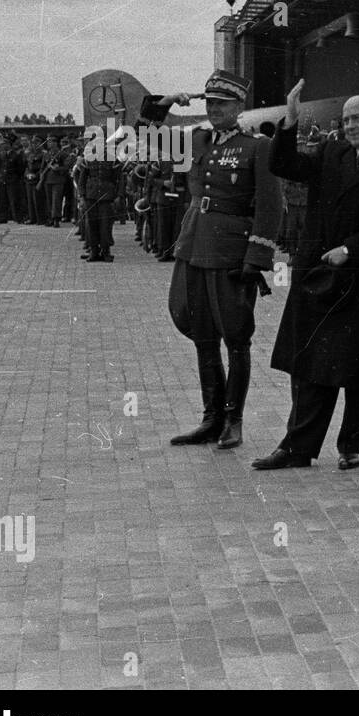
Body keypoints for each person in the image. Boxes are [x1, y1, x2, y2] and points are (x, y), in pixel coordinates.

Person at [251, 81, 359, 470]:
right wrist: (289, 120)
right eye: (345, 120)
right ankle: (297, 447)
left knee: (356, 367)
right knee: (307, 362)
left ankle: (351, 444)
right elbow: (284, 165)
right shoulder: (331, 151)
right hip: (318, 273)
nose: (350, 126)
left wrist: (351, 248)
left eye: (358, 118)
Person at [147, 70, 283, 451]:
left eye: (222, 103)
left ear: (240, 107)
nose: (214, 109)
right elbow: (144, 135)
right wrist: (164, 102)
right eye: (210, 103)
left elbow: (272, 208)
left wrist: (256, 257)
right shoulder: (198, 139)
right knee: (199, 331)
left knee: (236, 337)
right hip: (194, 245)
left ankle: (233, 421)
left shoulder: (258, 146)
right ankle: (211, 418)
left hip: (230, 251)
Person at [72, 130, 124, 262]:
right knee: (92, 225)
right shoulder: (88, 159)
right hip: (91, 196)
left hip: (107, 197)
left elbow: (119, 179)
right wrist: (82, 197)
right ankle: (94, 252)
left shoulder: (113, 159)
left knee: (105, 225)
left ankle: (106, 251)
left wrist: (119, 196)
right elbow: (82, 180)